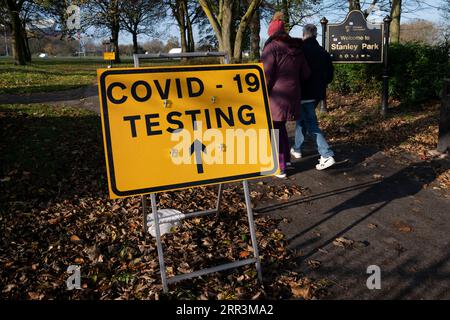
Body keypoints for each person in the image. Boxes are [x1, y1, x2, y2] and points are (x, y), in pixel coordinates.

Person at [262, 13, 310, 178]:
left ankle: (279, 166)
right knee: (280, 127)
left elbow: (266, 74)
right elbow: (306, 73)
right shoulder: (298, 48)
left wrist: (262, 92)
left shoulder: (271, 47)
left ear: (271, 33)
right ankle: (286, 160)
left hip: (276, 95)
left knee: (273, 128)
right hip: (292, 94)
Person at [290, 24, 336, 170]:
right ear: (315, 35)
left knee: (311, 124)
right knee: (302, 120)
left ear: (304, 34)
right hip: (317, 94)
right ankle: (297, 148)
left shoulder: (300, 51)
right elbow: (330, 76)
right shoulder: (323, 52)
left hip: (303, 93)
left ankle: (326, 154)